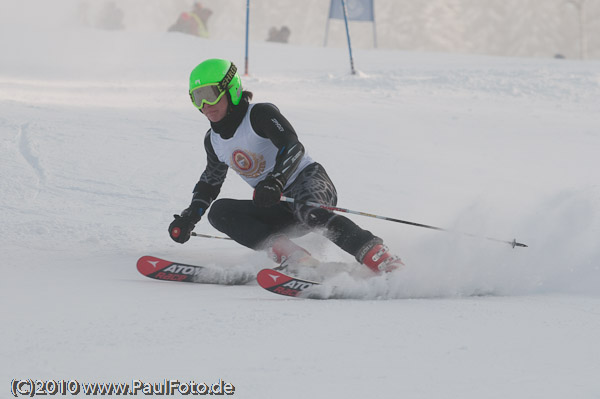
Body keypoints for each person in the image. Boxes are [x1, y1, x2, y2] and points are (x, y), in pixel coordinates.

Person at [168, 58, 403, 273]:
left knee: (309, 210)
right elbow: (210, 182)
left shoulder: (259, 115)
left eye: (210, 94)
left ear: (232, 89)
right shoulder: (214, 140)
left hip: (309, 182)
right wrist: (190, 217)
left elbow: (292, 147)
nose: (205, 105)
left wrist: (275, 181)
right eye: (197, 98)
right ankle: (296, 258)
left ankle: (381, 258)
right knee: (220, 212)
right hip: (276, 202)